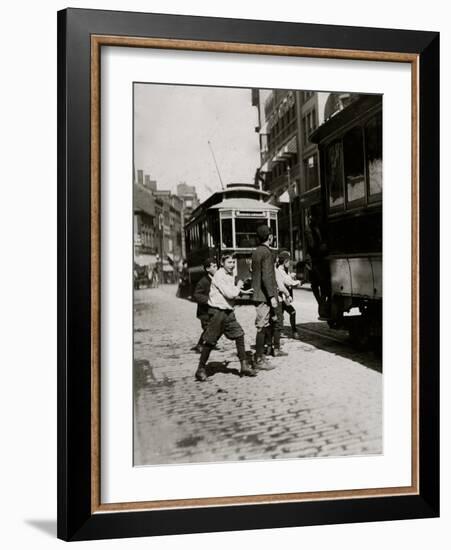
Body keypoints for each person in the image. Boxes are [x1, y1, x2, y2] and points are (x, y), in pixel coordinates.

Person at [194, 254, 255, 382]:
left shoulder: (229, 274)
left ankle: (243, 365)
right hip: (217, 312)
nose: (232, 265)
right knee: (210, 341)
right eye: (229, 262)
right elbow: (229, 293)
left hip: (228, 312)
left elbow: (230, 289)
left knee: (239, 334)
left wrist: (243, 291)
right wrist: (238, 287)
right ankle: (200, 369)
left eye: (233, 262)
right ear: (222, 263)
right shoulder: (219, 275)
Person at [251, 225, 278, 370]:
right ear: (270, 236)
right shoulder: (267, 252)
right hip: (264, 296)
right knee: (261, 326)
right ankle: (258, 359)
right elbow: (267, 276)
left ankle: (261, 356)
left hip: (259, 294)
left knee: (264, 325)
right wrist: (272, 296)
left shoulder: (256, 251)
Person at [191, 257, 218, 353]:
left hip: (212, 310)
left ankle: (210, 343)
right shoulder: (203, 281)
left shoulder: (217, 279)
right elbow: (196, 295)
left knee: (213, 327)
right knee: (207, 329)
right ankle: (199, 344)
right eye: (213, 267)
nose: (216, 268)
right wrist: (208, 300)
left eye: (216, 266)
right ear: (207, 269)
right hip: (204, 311)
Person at [277, 250, 301, 339]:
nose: (290, 263)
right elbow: (288, 282)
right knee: (291, 312)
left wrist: (290, 276)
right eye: (288, 261)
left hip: (284, 298)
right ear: (285, 261)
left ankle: (280, 332)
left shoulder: (284, 270)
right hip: (281, 297)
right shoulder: (280, 270)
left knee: (282, 315)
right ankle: (293, 332)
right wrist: (299, 282)